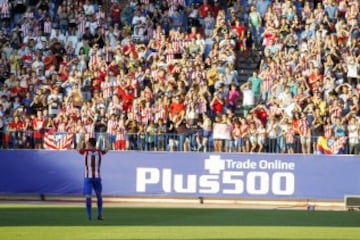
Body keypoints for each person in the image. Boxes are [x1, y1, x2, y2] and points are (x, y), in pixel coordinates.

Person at [77, 137, 110, 221]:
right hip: (97, 178)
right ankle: (100, 214)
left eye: (87, 143)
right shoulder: (99, 152)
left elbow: (77, 149)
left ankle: (89, 216)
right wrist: (106, 139)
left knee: (88, 197)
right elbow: (108, 148)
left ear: (89, 144)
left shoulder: (85, 151)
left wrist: (81, 139)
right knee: (99, 196)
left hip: (88, 178)